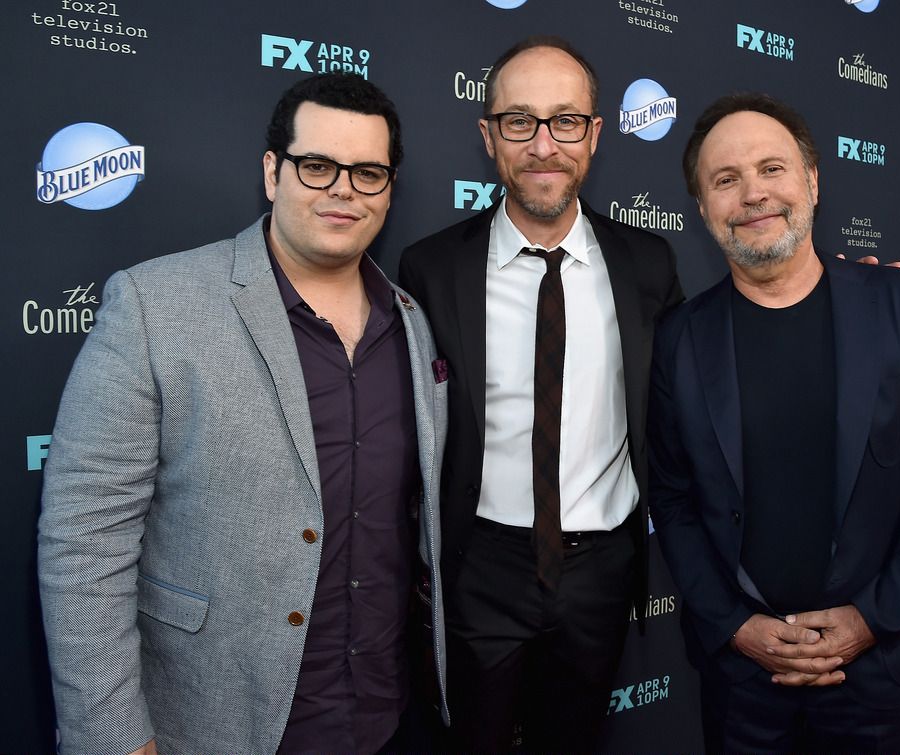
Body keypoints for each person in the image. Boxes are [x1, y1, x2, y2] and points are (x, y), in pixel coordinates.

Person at [37, 72, 448, 755]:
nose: (344, 188)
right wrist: (114, 738)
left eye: (368, 172)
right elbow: (84, 545)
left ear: (389, 188)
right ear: (272, 171)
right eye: (317, 165)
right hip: (215, 725)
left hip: (382, 716)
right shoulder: (155, 306)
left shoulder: (411, 321)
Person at [648, 92, 900, 753]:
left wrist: (868, 620)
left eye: (772, 169)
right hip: (742, 678)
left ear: (813, 182)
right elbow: (673, 499)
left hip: (876, 669)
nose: (753, 195)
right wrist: (737, 626)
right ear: (703, 206)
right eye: (726, 179)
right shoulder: (680, 336)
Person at [399, 36, 682, 752]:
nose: (543, 145)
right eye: (520, 121)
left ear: (594, 134)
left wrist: (822, 292)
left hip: (602, 570)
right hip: (478, 568)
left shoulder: (647, 263)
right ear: (488, 135)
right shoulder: (430, 268)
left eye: (564, 121)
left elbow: (704, 377)